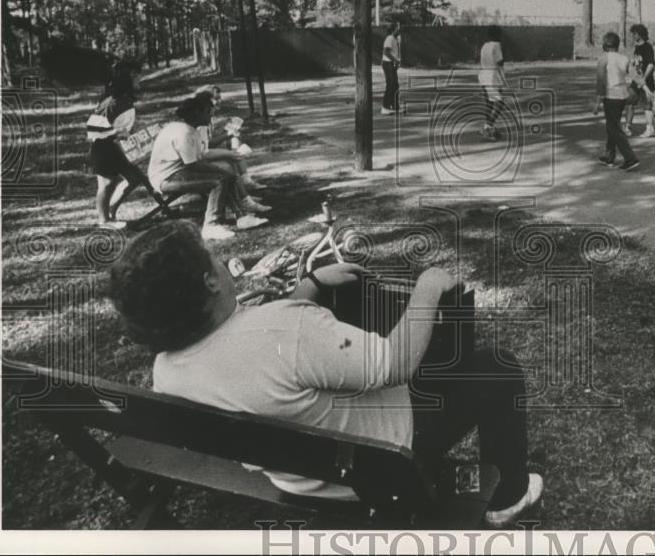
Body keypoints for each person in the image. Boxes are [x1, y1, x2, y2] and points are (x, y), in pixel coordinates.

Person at [106, 220, 544, 527]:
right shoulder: (288, 327)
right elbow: (395, 363)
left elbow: (259, 354)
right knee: (495, 367)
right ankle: (509, 499)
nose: (224, 263)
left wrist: (310, 286)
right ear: (211, 283)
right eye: (216, 258)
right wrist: (428, 286)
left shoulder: (166, 372)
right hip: (390, 465)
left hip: (299, 478)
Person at [146, 96, 267, 240]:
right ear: (197, 113)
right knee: (219, 180)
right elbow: (193, 164)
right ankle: (211, 225)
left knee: (224, 173)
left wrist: (225, 164)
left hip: (177, 171)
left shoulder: (189, 129)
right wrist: (220, 170)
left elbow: (200, 155)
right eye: (208, 112)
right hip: (166, 178)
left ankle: (242, 217)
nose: (212, 114)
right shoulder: (185, 133)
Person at [86, 63, 145, 229]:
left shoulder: (126, 100)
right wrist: (115, 134)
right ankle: (104, 221)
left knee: (134, 178)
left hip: (118, 147)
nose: (139, 80)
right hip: (103, 147)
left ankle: (111, 210)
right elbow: (93, 127)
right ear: (126, 82)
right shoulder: (110, 103)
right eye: (135, 78)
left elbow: (124, 123)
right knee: (107, 183)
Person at [193, 88, 267, 195]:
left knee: (233, 142)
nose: (219, 101)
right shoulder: (202, 121)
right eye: (216, 98)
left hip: (203, 153)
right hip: (200, 157)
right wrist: (228, 134)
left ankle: (244, 182)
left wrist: (225, 128)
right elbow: (207, 144)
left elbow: (208, 137)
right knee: (231, 155)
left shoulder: (206, 117)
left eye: (220, 98)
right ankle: (242, 194)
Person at [595, 32, 640, 172]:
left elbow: (601, 82)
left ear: (604, 45)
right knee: (612, 125)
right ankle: (609, 155)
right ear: (617, 45)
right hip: (623, 95)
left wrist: (597, 101)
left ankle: (630, 158)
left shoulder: (603, 59)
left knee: (614, 128)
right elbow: (633, 75)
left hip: (611, 96)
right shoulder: (624, 58)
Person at [624, 24, 655, 138]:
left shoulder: (648, 47)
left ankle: (650, 129)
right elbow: (633, 64)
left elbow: (651, 64)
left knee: (648, 106)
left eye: (635, 33)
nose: (632, 35)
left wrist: (644, 78)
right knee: (629, 103)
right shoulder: (635, 48)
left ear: (641, 34)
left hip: (647, 82)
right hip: (635, 82)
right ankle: (627, 127)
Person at [478, 25, 506, 140]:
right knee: (500, 104)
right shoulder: (497, 45)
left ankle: (489, 127)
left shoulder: (484, 46)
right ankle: (487, 128)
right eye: (499, 34)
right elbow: (500, 62)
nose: (500, 37)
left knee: (489, 104)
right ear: (496, 35)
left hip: (483, 75)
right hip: (492, 76)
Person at [381, 22, 401, 115]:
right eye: (397, 28)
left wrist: (396, 61)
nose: (398, 29)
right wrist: (395, 61)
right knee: (391, 85)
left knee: (395, 85)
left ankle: (395, 107)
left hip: (391, 63)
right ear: (393, 29)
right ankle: (385, 107)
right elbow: (386, 52)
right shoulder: (390, 38)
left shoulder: (394, 39)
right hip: (388, 63)